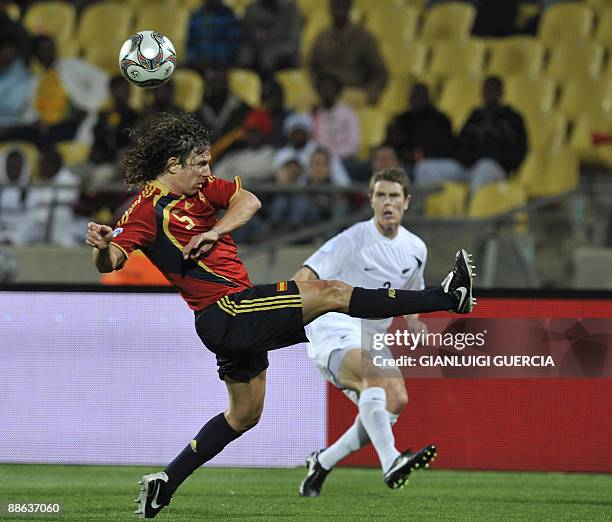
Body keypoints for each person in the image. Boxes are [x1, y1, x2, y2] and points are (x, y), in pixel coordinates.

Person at [84, 112, 475, 519]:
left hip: (231, 321)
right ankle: (445, 296)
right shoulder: (146, 211)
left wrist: (216, 231)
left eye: (208, 163)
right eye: (200, 164)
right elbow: (112, 259)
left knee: (244, 415)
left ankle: (165, 483)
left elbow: (249, 200)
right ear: (173, 165)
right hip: (227, 309)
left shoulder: (201, 192)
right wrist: (100, 246)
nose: (207, 172)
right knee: (334, 292)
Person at [294, 167, 434, 496]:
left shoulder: (417, 248)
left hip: (372, 335)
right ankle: (391, 462)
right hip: (334, 324)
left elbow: (412, 294)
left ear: (406, 202)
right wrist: (282, 311)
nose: (388, 202)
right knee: (373, 379)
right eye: (381, 195)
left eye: (394, 196)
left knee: (396, 399)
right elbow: (307, 272)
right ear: (371, 200)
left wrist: (414, 321)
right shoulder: (353, 238)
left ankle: (323, 462)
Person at [455, 76, 528, 193]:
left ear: (500, 92)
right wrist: (465, 159)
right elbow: (460, 142)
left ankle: (470, 208)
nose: (488, 93)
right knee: (427, 168)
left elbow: (520, 149)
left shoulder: (512, 118)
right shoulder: (475, 115)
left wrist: (503, 162)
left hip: (496, 168)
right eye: (485, 90)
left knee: (484, 167)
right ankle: (423, 208)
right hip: (469, 166)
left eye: (491, 90)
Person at [309, 0, 388, 104]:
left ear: (349, 7)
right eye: (335, 5)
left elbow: (380, 72)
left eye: (342, 5)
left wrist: (370, 95)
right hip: (325, 94)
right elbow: (312, 68)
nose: (338, 9)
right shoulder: (321, 38)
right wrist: (319, 87)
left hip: (353, 92)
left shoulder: (363, 37)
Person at [385, 83, 456, 179]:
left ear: (428, 98)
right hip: (400, 161)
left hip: (426, 164)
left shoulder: (441, 120)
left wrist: (420, 156)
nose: (416, 100)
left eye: (419, 96)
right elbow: (391, 144)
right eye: (413, 96)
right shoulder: (401, 119)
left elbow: (446, 149)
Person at [239, 0, 302, 75]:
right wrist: (246, 55)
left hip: (285, 62)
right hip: (257, 59)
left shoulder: (290, 9)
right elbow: (247, 40)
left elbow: (292, 44)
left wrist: (272, 53)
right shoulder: (251, 9)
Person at [311, 73, 360, 161]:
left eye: (329, 89)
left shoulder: (348, 113)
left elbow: (354, 143)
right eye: (323, 89)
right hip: (320, 159)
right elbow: (311, 141)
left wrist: (334, 155)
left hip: (344, 158)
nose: (325, 93)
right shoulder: (313, 113)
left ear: (337, 92)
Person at [186, 0, 241, 70]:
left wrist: (215, 58)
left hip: (221, 64)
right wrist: (195, 58)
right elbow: (191, 44)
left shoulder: (228, 15)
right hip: (199, 64)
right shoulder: (197, 16)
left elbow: (232, 44)